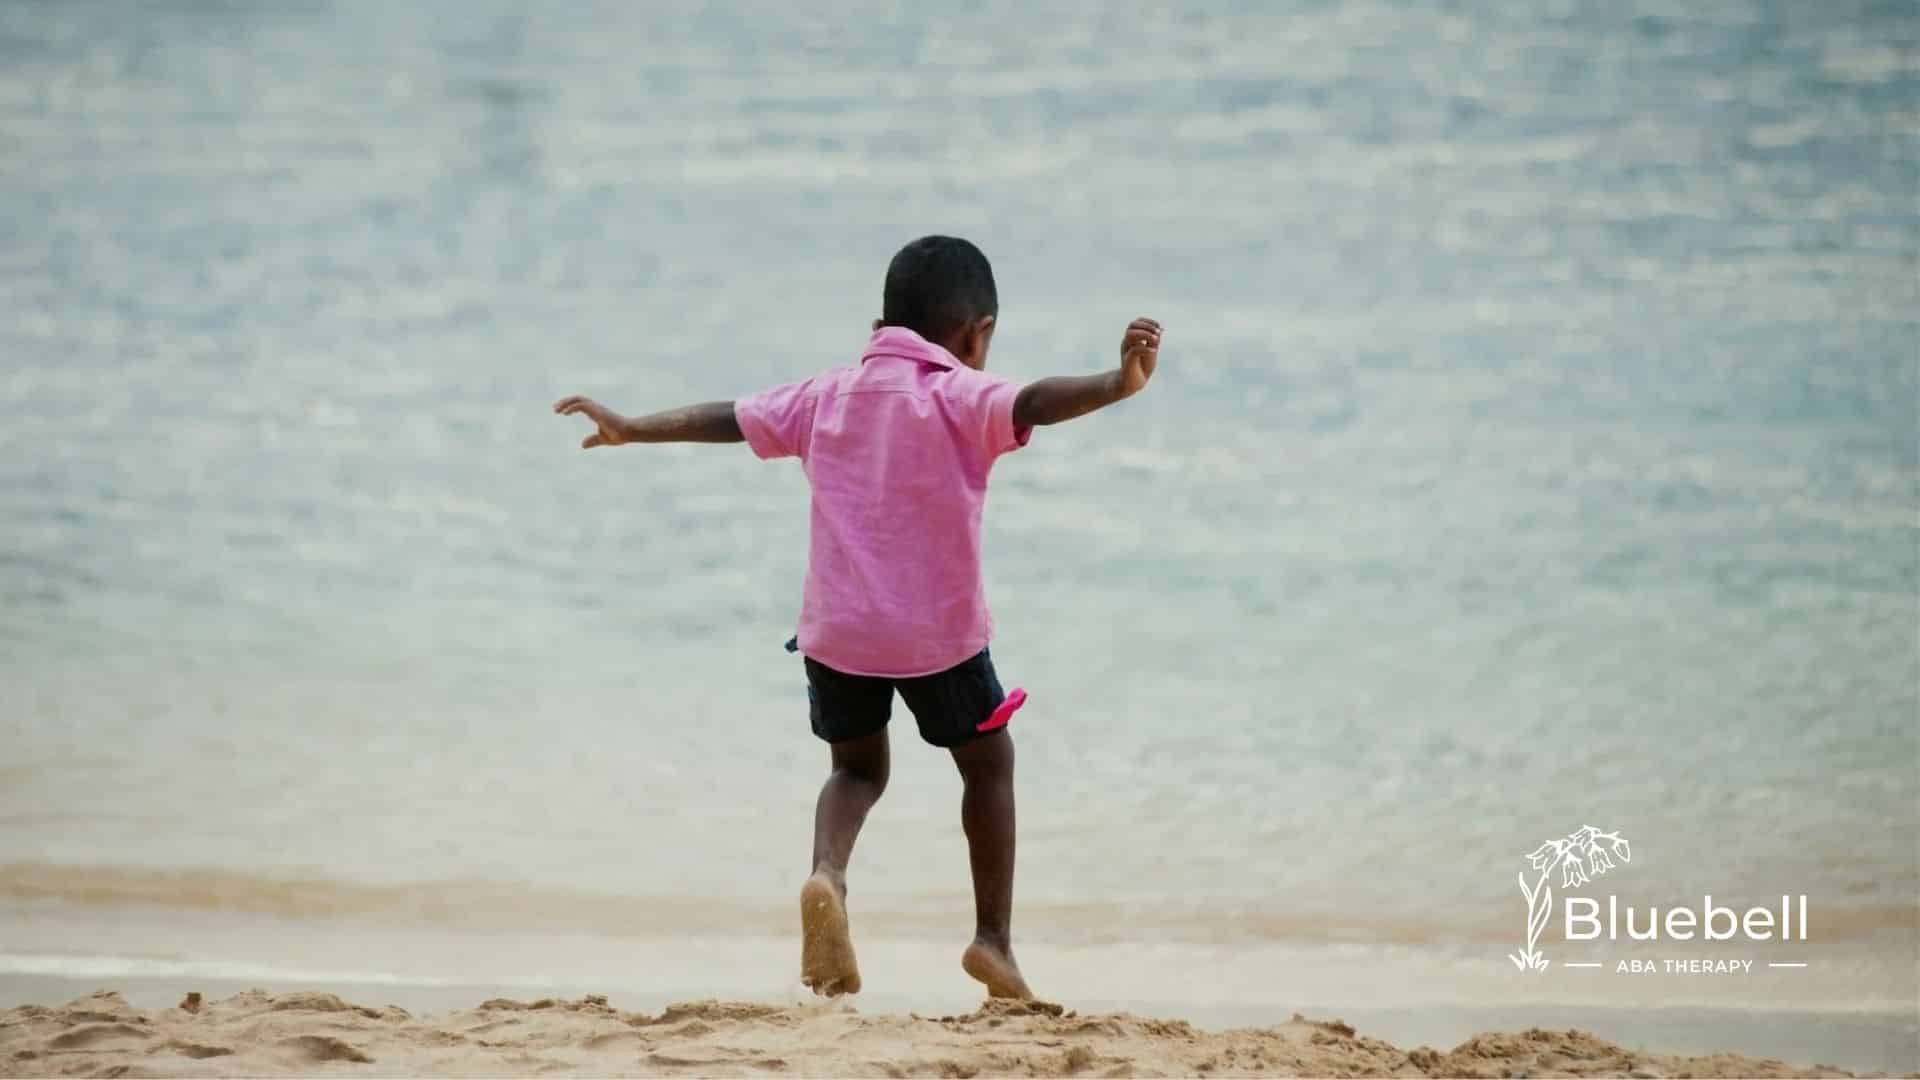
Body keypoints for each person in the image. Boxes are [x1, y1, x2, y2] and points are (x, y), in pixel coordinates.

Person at [553, 235, 1162, 1000]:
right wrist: (1118, 381)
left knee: (855, 769)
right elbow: (1034, 401)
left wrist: (633, 427)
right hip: (938, 641)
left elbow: (730, 418)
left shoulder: (826, 395)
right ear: (977, 333)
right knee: (988, 766)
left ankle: (827, 874)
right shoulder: (958, 394)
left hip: (838, 638)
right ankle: (993, 942)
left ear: (883, 322)